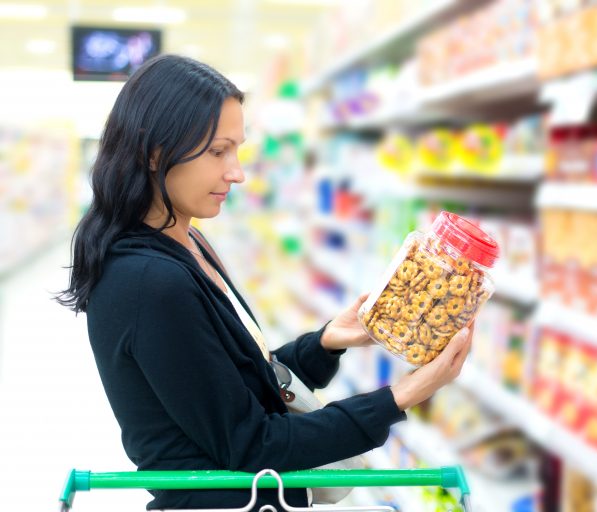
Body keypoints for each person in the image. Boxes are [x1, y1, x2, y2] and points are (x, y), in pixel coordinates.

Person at [57, 54, 472, 511]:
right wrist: (404, 395)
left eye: (237, 148)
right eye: (218, 151)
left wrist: (327, 343)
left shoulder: (189, 242)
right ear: (155, 152)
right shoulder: (147, 282)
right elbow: (252, 443)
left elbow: (240, 384)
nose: (236, 171)